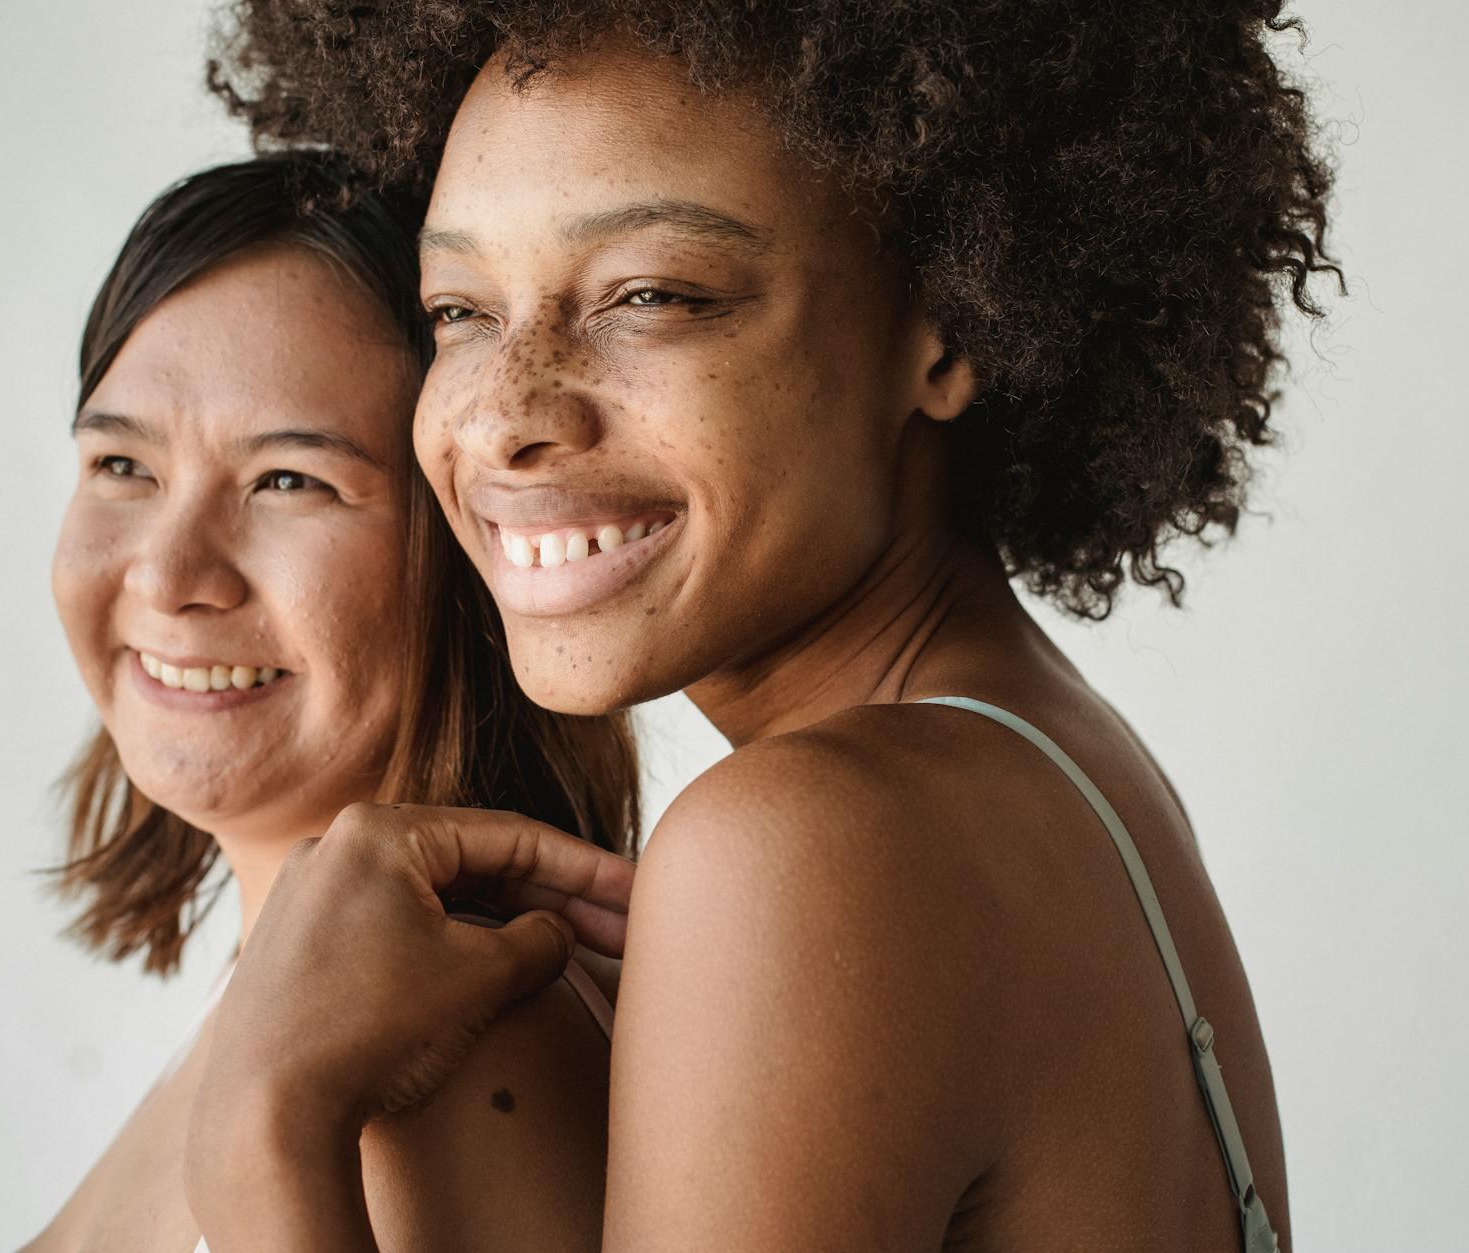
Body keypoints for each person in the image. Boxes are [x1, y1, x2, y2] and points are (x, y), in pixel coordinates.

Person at [193, 5, 1340, 1249]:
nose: (502, 414)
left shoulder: (815, 838)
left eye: (652, 295)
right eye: (460, 310)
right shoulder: (1046, 765)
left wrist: (262, 1123)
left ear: (947, 320)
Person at [24, 154, 641, 1253]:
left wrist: (264, 1135)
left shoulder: (467, 1058)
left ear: (469, 547)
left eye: (288, 482)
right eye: (122, 464)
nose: (168, 577)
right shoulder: (292, 995)